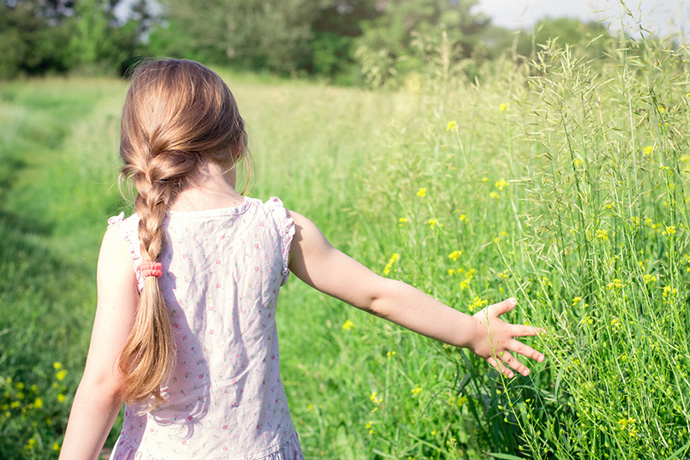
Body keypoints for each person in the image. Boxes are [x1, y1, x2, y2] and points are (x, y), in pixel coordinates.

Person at [59, 59, 544, 460]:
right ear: (236, 140)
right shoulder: (277, 228)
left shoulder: (128, 242)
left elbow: (104, 383)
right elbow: (378, 294)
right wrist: (474, 331)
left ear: (136, 151)